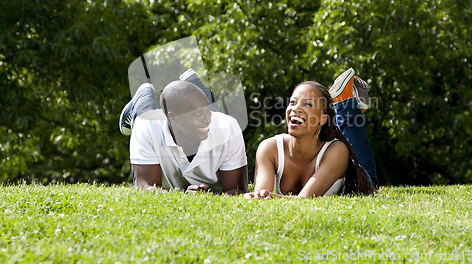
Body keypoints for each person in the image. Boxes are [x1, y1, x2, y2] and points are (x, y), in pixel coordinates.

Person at [244, 68, 378, 199]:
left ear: (322, 118)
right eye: (292, 102)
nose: (295, 108)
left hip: (360, 180)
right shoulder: (269, 148)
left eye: (307, 104)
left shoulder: (337, 150)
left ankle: (345, 102)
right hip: (320, 129)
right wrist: (257, 196)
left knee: (371, 182)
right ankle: (345, 104)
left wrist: (272, 197)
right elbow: (260, 196)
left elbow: (304, 199)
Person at [119, 70, 248, 195]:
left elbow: (238, 190)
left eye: (207, 111)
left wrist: (207, 196)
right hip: (150, 118)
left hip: (201, 119)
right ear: (173, 118)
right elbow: (145, 187)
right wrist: (182, 197)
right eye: (197, 114)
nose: (208, 119)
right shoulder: (147, 127)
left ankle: (193, 85)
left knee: (208, 115)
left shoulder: (227, 126)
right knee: (143, 114)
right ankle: (143, 94)